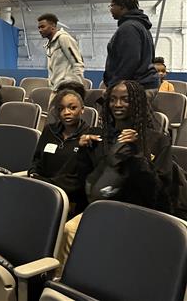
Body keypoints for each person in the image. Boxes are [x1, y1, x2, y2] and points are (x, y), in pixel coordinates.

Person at [57, 80, 175, 270]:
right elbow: (83, 182)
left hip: (139, 212)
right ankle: (62, 281)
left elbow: (159, 192)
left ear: (137, 103)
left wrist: (136, 154)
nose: (117, 104)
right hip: (101, 208)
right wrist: (82, 152)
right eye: (113, 99)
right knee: (69, 230)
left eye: (125, 99)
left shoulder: (156, 141)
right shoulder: (99, 136)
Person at [29, 89, 90, 214]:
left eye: (72, 108)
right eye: (61, 109)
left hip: (69, 199)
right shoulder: (49, 131)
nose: (66, 112)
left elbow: (79, 178)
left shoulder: (89, 136)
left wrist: (46, 184)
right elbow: (36, 160)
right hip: (40, 190)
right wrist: (33, 174)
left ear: (82, 109)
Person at [103, 0, 159, 96]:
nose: (110, 9)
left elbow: (129, 62)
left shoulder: (129, 28)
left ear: (122, 6)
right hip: (142, 85)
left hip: (135, 88)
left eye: (112, 5)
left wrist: (113, 87)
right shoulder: (139, 26)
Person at [37, 13, 85, 92]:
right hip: (56, 88)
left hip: (69, 88)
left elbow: (77, 62)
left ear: (53, 27)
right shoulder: (49, 45)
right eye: (39, 28)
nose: (40, 30)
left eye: (43, 27)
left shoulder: (64, 38)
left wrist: (76, 87)